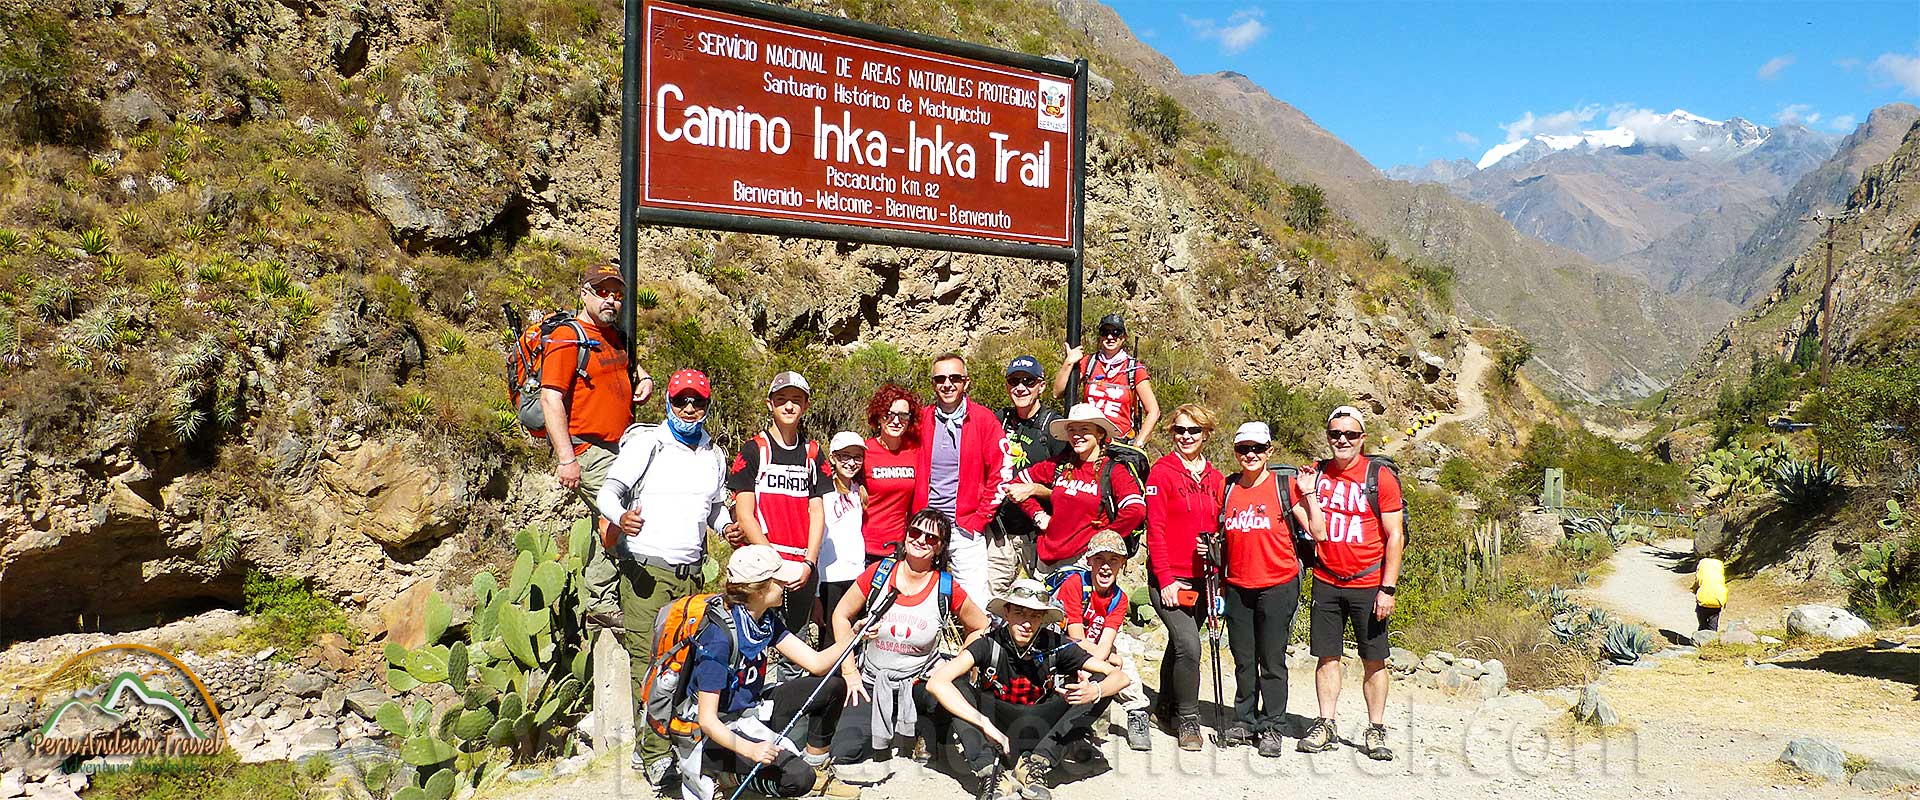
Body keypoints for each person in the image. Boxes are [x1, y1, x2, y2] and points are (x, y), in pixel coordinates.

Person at [593, 369, 730, 784]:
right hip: (647, 571)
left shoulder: (713, 454)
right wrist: (623, 517)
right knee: (650, 664)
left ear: (707, 406)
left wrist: (728, 529)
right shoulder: (648, 443)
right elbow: (607, 494)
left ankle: (668, 744)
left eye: (698, 402)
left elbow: (715, 509)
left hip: (690, 575)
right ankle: (651, 754)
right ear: (668, 401)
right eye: (682, 400)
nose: (690, 408)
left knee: (684, 663)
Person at [673, 545, 859, 800]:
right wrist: (750, 750)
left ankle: (815, 764)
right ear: (759, 590)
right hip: (715, 734)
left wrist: (854, 636)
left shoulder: (764, 620)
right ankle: (723, 775)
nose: (785, 583)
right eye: (778, 579)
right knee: (799, 780)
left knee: (832, 688)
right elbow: (707, 719)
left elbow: (816, 664)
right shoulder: (718, 638)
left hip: (751, 711)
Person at [829, 510, 993, 784]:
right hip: (871, 679)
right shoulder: (880, 573)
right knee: (844, 753)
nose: (920, 540)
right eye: (915, 532)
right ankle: (915, 731)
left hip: (919, 681)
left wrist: (956, 666)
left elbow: (980, 626)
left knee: (957, 692)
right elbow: (841, 615)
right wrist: (849, 671)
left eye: (931, 537)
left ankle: (987, 767)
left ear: (940, 546)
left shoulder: (945, 587)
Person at [926, 579, 1129, 800]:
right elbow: (937, 682)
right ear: (1007, 613)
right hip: (994, 722)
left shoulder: (1056, 645)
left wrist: (1094, 691)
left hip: (1040, 720)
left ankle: (1037, 764)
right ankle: (990, 775)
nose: (1027, 623)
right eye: (1020, 613)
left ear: (1042, 619)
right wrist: (983, 723)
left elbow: (1120, 677)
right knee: (957, 685)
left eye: (1035, 616)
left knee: (1101, 686)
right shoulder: (988, 644)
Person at [538, 260, 651, 626]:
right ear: (584, 293)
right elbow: (551, 398)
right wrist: (566, 459)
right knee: (621, 512)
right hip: (586, 447)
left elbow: (627, 367)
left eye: (617, 295)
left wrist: (644, 378)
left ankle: (600, 599)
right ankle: (604, 599)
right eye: (602, 292)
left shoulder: (614, 335)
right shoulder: (567, 338)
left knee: (609, 517)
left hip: (621, 447)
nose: (611, 300)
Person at [1300, 406, 1404, 760]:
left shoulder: (1379, 477)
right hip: (1327, 579)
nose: (1342, 440)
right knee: (1327, 657)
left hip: (1367, 582)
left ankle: (1376, 728)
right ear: (1328, 437)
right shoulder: (1315, 474)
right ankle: (1326, 723)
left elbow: (1395, 535)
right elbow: (1307, 519)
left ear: (1363, 439)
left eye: (1350, 434)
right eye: (1335, 434)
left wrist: (1387, 588)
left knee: (1373, 659)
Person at [1218, 422, 1318, 757]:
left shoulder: (1284, 485)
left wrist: (1309, 494)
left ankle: (1273, 725)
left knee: (1272, 659)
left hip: (1278, 583)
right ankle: (1244, 720)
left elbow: (1316, 529)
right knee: (1244, 659)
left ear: (1269, 451)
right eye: (1243, 448)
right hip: (1237, 586)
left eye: (1257, 449)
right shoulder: (1227, 487)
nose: (1250, 455)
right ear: (1235, 452)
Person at [1141, 404, 1225, 751]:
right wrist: (1166, 580)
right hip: (1170, 577)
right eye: (1179, 430)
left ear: (1206, 434)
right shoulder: (1161, 473)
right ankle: (1188, 718)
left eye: (1193, 431)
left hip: (1204, 580)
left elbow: (1222, 530)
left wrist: (1219, 571)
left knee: (1179, 646)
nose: (1186, 437)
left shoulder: (1217, 479)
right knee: (1190, 645)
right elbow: (1155, 530)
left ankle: (1164, 704)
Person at [728, 372, 833, 637]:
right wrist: (772, 563)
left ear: (806, 406)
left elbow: (817, 511)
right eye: (782, 399)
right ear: (769, 404)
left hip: (801, 570)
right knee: (750, 643)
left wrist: (810, 563)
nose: (789, 406)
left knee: (794, 645)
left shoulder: (812, 452)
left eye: (796, 400)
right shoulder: (753, 449)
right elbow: (744, 513)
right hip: (762, 567)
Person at [918, 353, 1012, 602]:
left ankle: (973, 642)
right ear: (933, 383)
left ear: (966, 382)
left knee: (976, 605)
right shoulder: (922, 419)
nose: (947, 384)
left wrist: (979, 519)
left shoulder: (983, 420)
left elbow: (1002, 472)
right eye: (940, 379)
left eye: (954, 378)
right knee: (921, 599)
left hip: (965, 528)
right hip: (925, 526)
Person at [1014, 404, 1146, 579]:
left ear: (1100, 434)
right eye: (1072, 430)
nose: (1077, 435)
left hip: (1085, 562)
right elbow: (1017, 484)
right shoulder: (1059, 465)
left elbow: (1136, 510)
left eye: (1084, 429)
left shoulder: (1113, 471)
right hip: (1046, 559)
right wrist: (1038, 515)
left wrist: (1103, 540)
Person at [1050, 530, 1151, 753]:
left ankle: (1136, 710)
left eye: (1113, 560)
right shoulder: (1075, 585)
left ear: (1123, 564)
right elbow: (1076, 637)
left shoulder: (1119, 598)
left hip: (1093, 646)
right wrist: (1092, 665)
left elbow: (1106, 642)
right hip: (1064, 643)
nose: (1106, 567)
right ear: (1089, 562)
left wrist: (1096, 664)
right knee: (1111, 662)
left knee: (1119, 660)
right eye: (1100, 560)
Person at [989, 355, 1065, 596]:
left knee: (1048, 599)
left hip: (1039, 533)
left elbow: (1068, 490)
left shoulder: (1054, 428)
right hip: (999, 534)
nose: (1020, 387)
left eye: (1028, 381)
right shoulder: (997, 421)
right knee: (992, 601)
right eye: (1014, 381)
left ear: (1041, 386)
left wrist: (1032, 489)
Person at [1052, 313, 1160, 448]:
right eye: (1105, 332)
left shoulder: (1134, 369)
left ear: (1124, 337)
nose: (1110, 337)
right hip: (1090, 441)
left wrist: (1138, 444)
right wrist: (1069, 362)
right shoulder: (1089, 362)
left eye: (1116, 332)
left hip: (1119, 444)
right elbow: (1057, 393)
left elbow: (1153, 411)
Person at [818, 432, 872, 648]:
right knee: (831, 639)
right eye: (844, 456)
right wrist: (815, 592)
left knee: (855, 635)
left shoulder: (859, 492)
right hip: (829, 577)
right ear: (832, 457)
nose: (851, 463)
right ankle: (826, 680)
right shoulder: (823, 492)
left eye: (857, 457)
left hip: (856, 576)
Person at [862, 384, 925, 563]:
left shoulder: (915, 452)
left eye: (903, 415)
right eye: (889, 414)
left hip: (898, 549)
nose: (896, 421)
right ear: (878, 417)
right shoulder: (865, 451)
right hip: (863, 548)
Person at [1693, 557, 1728, 633]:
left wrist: (1693, 590)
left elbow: (1697, 583)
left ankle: (1701, 638)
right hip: (1718, 600)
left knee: (1702, 624)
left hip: (1703, 601)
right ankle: (1712, 640)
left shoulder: (1701, 570)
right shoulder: (1719, 572)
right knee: (1713, 624)